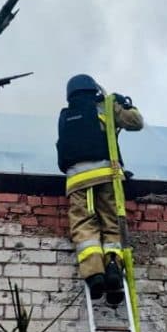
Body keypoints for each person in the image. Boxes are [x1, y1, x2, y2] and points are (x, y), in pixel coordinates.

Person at [56, 74, 143, 306]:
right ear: (93, 90)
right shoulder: (106, 105)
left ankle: (94, 274)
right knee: (111, 222)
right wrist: (125, 104)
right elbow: (136, 122)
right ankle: (113, 266)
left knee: (83, 226)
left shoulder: (64, 116)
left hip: (76, 181)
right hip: (106, 175)